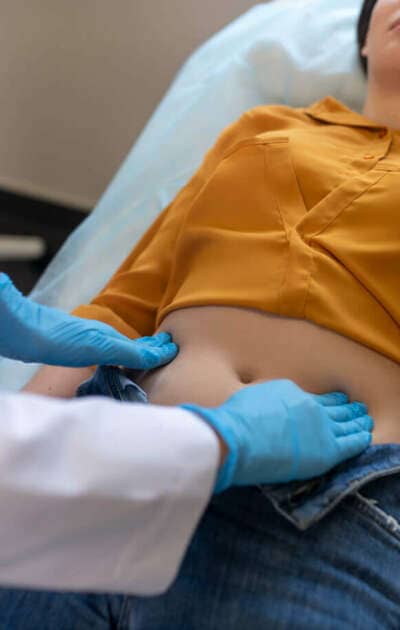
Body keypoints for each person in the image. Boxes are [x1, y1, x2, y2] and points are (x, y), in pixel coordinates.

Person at [1, 0, 399, 627]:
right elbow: (127, 301)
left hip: (337, 510)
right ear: (365, 47)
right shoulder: (263, 128)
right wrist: (37, 417)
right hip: (116, 446)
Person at [0, 272, 372, 598]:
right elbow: (124, 303)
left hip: (328, 504)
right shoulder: (222, 188)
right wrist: (220, 440)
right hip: (122, 452)